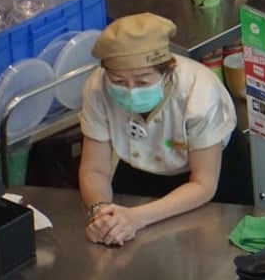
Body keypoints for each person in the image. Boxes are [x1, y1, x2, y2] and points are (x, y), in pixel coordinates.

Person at [78, 13, 249, 246]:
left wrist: (136, 217)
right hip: (141, 168)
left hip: (212, 173)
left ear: (167, 72)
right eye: (118, 82)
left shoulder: (199, 93)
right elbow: (94, 169)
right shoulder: (97, 89)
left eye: (142, 82)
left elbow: (203, 183)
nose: (130, 91)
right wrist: (102, 213)